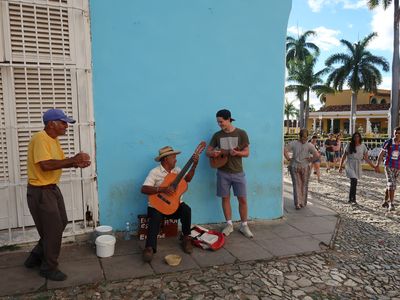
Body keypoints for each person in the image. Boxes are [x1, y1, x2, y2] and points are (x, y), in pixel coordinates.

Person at [24, 109, 91, 281]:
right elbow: (45, 165)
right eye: (63, 122)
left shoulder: (53, 141)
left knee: (61, 223)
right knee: (53, 230)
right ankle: (48, 267)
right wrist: (74, 159)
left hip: (51, 189)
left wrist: (76, 164)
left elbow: (58, 163)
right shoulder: (40, 138)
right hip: (41, 191)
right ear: (51, 124)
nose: (66, 126)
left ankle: (36, 255)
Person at [141, 146, 199, 262]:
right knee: (155, 216)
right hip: (157, 206)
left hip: (173, 206)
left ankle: (186, 238)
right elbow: (144, 189)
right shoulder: (155, 172)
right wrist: (162, 189)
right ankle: (149, 248)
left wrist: (194, 165)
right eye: (173, 157)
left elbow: (187, 179)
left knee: (186, 209)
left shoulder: (177, 171)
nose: (176, 160)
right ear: (166, 159)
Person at [206, 109, 253, 238]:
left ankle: (244, 225)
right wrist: (214, 153)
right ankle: (229, 224)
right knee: (225, 198)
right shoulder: (217, 135)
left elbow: (247, 153)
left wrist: (238, 153)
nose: (219, 124)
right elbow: (207, 152)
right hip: (222, 172)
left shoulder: (241, 133)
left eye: (221, 121)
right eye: (218, 122)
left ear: (228, 119)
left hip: (238, 172)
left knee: (242, 199)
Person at [338, 132, 378, 205]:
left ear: (360, 138)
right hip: (350, 164)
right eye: (355, 137)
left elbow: (366, 158)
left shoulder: (363, 146)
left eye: (358, 137)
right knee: (353, 180)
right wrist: (340, 166)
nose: (356, 138)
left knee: (354, 182)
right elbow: (344, 156)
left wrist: (374, 166)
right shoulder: (349, 145)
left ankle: (352, 199)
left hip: (358, 165)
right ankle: (352, 198)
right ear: (353, 138)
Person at [284, 129, 319, 209]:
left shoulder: (304, 144)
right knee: (298, 185)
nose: (305, 139)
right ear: (300, 136)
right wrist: (289, 159)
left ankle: (301, 203)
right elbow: (285, 151)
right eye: (303, 137)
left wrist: (310, 160)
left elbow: (317, 155)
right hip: (298, 167)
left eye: (306, 137)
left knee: (303, 185)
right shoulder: (307, 145)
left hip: (301, 166)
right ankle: (299, 203)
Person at [376, 126, 400, 211]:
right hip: (388, 166)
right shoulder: (389, 142)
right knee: (391, 184)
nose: (397, 135)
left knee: (390, 184)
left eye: (399, 133)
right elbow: (381, 153)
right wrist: (377, 165)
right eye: (395, 133)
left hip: (398, 167)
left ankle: (385, 201)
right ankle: (391, 203)